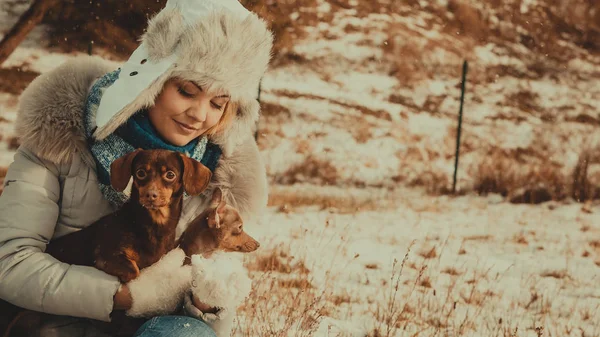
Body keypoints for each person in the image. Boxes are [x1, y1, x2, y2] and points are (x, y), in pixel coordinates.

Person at [0, 0, 273, 335]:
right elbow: (10, 264)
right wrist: (121, 296)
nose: (200, 115)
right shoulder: (59, 140)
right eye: (187, 91)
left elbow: (208, 317)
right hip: (54, 324)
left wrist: (206, 301)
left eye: (218, 103)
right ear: (151, 79)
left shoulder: (217, 175)